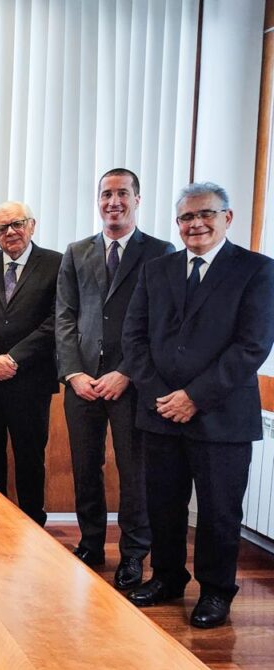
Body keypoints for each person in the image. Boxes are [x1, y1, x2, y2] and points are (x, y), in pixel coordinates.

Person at [123, 182, 274, 628]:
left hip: (221, 416)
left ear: (227, 218)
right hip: (160, 413)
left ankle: (216, 591)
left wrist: (194, 397)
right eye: (187, 217)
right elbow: (134, 338)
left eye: (206, 214)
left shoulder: (257, 270)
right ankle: (167, 578)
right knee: (163, 506)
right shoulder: (157, 270)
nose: (196, 224)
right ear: (178, 223)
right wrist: (162, 397)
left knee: (218, 512)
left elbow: (252, 346)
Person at [55, 169, 176, 589]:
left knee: (134, 472)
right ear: (98, 200)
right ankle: (90, 544)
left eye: (122, 193)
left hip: (132, 384)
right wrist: (73, 373)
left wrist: (126, 372)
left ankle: (133, 554)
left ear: (137, 199)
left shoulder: (160, 252)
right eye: (106, 194)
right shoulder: (76, 252)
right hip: (82, 382)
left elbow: (161, 323)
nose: (114, 201)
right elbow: (65, 316)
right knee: (85, 467)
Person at [0, 202, 62, 526]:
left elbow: (57, 320)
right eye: (2, 228)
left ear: (32, 225)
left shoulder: (56, 263)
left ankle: (32, 524)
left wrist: (14, 358)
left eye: (17, 224)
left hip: (30, 379)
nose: (11, 232)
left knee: (30, 456)